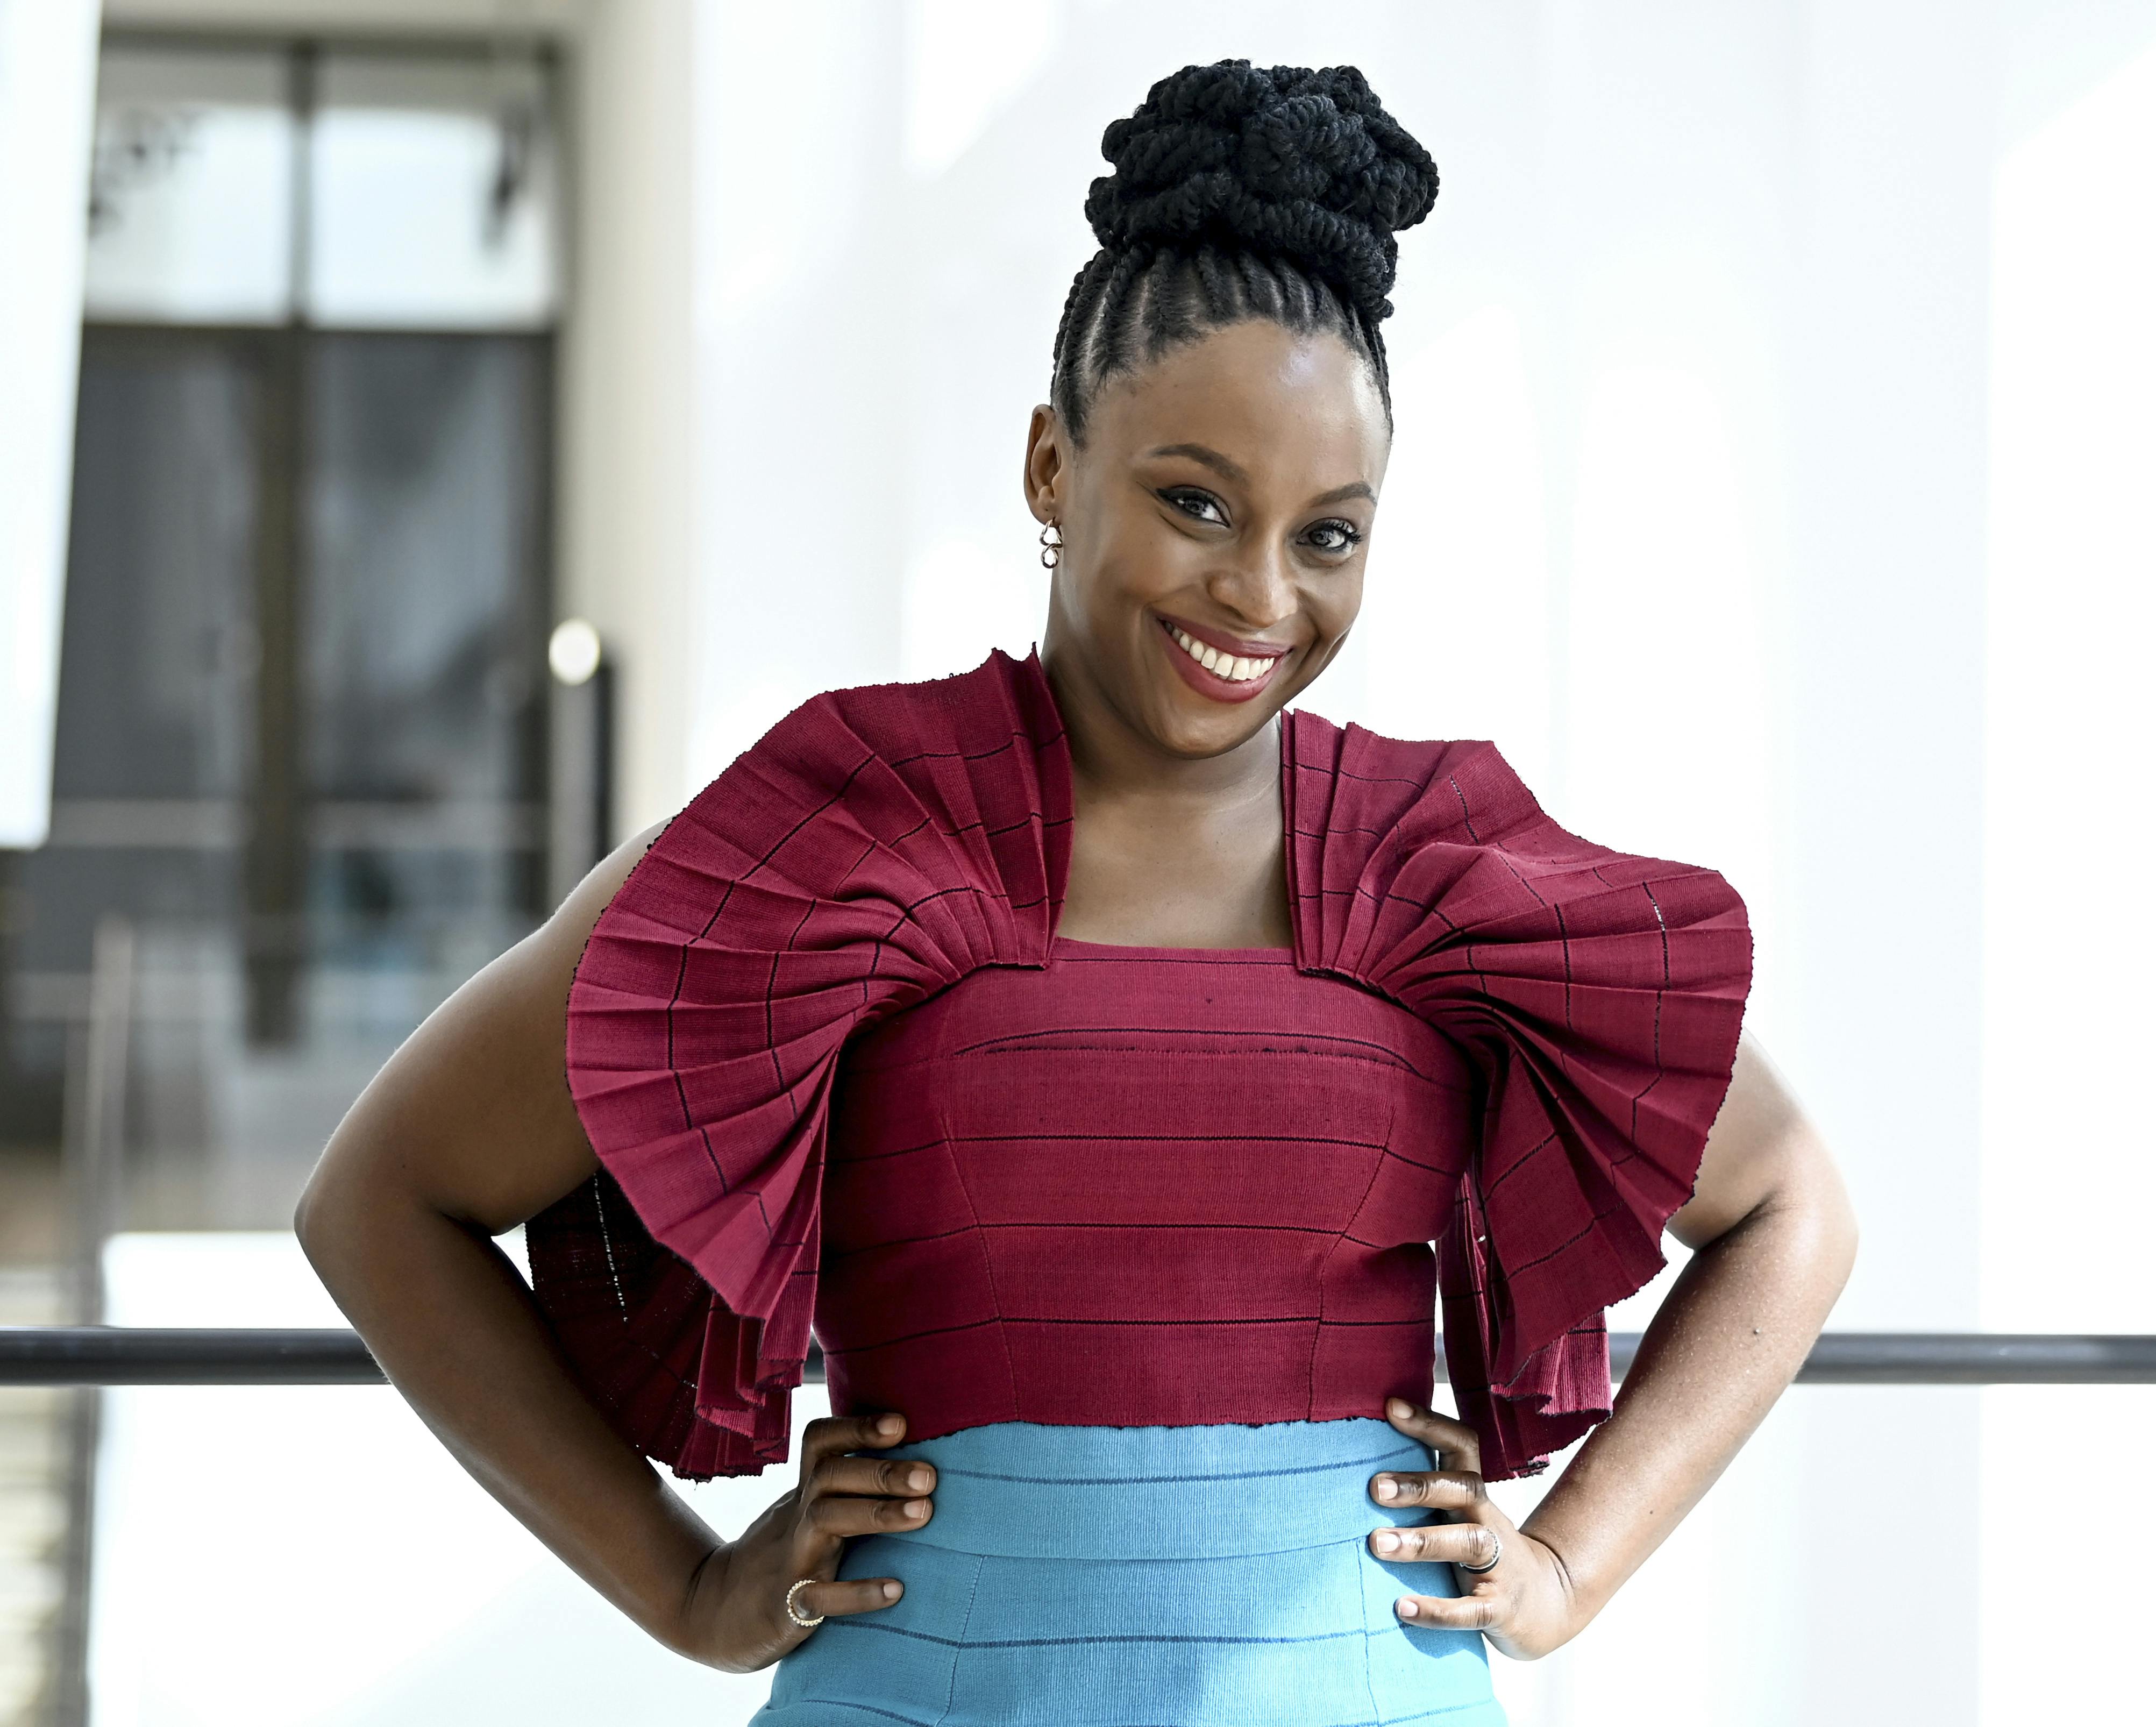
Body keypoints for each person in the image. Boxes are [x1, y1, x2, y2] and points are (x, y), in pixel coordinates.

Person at [296, 59, 1856, 1726]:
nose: (1258, 594)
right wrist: (685, 1583)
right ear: (1053, 466)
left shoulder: (1434, 862)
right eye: (1194, 503)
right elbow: (382, 1203)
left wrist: (1565, 1569)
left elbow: (1790, 1213)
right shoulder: (835, 834)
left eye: (1327, 534)